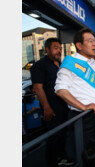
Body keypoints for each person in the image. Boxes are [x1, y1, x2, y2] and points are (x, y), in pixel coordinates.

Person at [55, 28, 95, 146]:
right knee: (84, 151)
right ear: (79, 45)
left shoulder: (93, 64)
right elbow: (60, 90)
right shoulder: (70, 62)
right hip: (81, 116)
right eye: (90, 41)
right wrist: (83, 107)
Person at [30, 38, 73, 166]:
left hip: (64, 105)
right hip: (52, 107)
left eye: (60, 48)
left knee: (63, 134)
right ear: (47, 49)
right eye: (55, 48)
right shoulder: (40, 65)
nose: (59, 51)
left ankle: (62, 157)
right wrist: (46, 107)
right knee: (53, 136)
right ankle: (52, 162)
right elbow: (38, 87)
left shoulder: (60, 63)